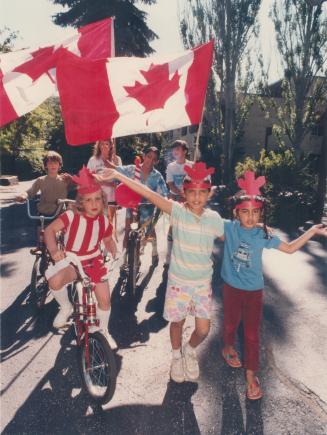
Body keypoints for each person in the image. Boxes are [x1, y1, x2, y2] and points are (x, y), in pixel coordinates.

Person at [96, 162, 224, 383]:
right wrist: (118, 174)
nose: (196, 197)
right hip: (179, 283)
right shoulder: (176, 211)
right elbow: (146, 191)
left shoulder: (214, 218)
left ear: (208, 193)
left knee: (203, 330)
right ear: (184, 193)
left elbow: (234, 234)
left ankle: (189, 349)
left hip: (202, 284)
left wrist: (258, 230)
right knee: (177, 323)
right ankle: (176, 356)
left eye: (201, 193)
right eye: (191, 192)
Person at [220, 171, 327, 400]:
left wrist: (311, 231)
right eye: (245, 212)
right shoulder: (228, 228)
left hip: (253, 293)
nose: (250, 217)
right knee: (230, 324)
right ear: (236, 212)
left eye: (255, 212)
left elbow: (289, 248)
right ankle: (227, 346)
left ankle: (250, 378)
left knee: (251, 335)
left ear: (261, 213)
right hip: (231, 288)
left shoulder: (263, 234)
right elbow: (204, 221)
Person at [44, 166, 117, 348]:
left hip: (94, 261)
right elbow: (49, 230)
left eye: (97, 199)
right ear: (81, 203)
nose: (94, 204)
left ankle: (104, 330)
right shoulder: (71, 216)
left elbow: (108, 239)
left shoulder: (104, 221)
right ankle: (66, 307)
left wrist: (113, 248)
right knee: (54, 281)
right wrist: (54, 251)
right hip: (73, 261)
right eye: (88, 200)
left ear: (103, 200)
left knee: (105, 300)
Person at [114, 146, 168, 265]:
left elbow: (163, 194)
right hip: (131, 205)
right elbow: (116, 170)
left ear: (157, 161)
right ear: (144, 156)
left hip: (147, 209)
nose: (150, 160)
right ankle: (125, 260)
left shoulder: (157, 176)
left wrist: (161, 200)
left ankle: (154, 247)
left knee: (149, 233)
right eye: (148, 156)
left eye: (154, 159)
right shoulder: (132, 169)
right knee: (128, 232)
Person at [15, 151, 72, 248]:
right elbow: (30, 192)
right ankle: (40, 247)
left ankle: (64, 248)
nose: (53, 165)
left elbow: (78, 188)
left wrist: (72, 180)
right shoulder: (41, 180)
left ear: (60, 165)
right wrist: (23, 196)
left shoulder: (65, 180)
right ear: (46, 165)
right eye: (50, 163)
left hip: (59, 213)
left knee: (64, 234)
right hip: (44, 213)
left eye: (55, 163)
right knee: (41, 233)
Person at [165, 140, 192, 265]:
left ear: (185, 151)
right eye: (174, 149)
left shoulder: (192, 165)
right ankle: (169, 256)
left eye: (178, 149)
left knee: (188, 227)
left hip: (189, 200)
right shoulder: (171, 166)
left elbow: (195, 183)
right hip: (176, 198)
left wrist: (187, 195)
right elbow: (170, 183)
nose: (175, 151)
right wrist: (180, 193)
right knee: (173, 225)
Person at [87, 139, 123, 223]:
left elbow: (121, 177)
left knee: (110, 222)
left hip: (112, 196)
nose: (104, 146)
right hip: (98, 196)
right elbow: (89, 177)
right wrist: (106, 183)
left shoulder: (117, 159)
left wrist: (115, 184)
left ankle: (110, 235)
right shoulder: (93, 160)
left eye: (107, 144)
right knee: (99, 221)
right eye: (102, 144)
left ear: (111, 146)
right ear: (98, 146)